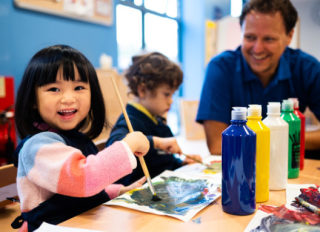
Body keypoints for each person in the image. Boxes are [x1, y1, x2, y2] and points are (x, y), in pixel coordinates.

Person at [12, 45, 150, 232]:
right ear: (33, 101)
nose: (68, 98)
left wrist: (116, 191)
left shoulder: (76, 138)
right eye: (54, 89)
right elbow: (83, 179)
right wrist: (127, 146)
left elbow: (76, 193)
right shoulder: (38, 147)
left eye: (79, 87)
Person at [196, 0, 320, 156]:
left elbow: (227, 145)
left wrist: (271, 138)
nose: (258, 49)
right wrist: (285, 139)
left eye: (269, 39)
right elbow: (217, 145)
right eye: (249, 37)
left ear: (289, 36)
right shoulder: (221, 67)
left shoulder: (307, 68)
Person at [106, 52, 201, 185]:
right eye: (166, 94)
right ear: (142, 90)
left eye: (172, 95)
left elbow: (161, 162)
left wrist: (180, 163)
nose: (171, 101)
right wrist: (155, 142)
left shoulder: (156, 119)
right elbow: (114, 148)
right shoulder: (130, 120)